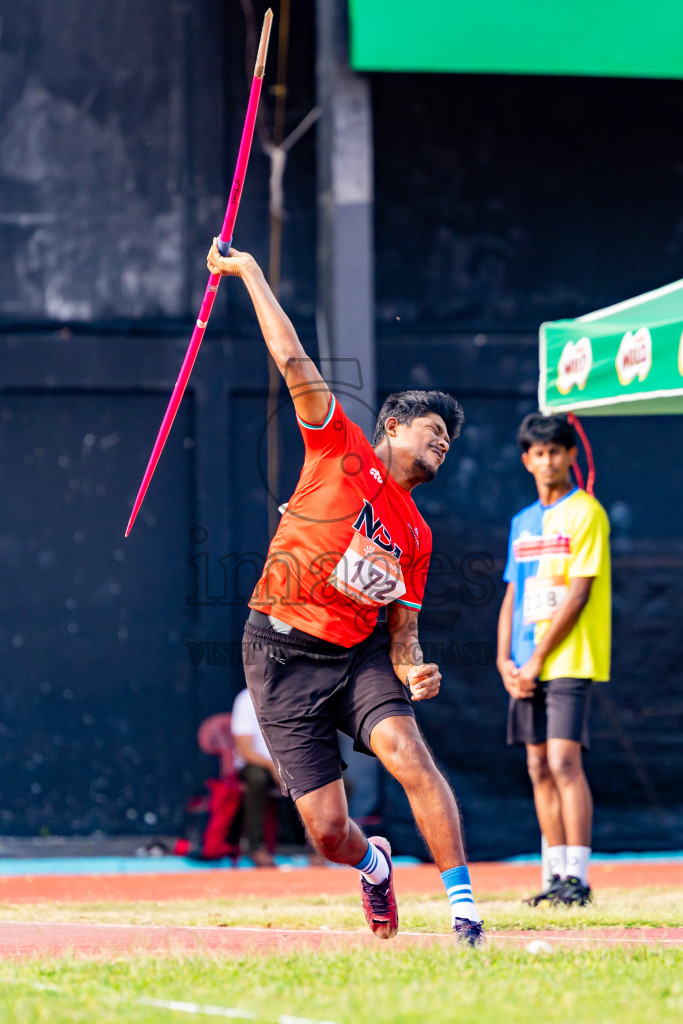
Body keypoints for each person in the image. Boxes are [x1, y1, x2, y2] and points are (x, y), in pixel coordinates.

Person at [206, 240, 484, 946]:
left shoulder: (416, 536)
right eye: (432, 431)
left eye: (449, 440)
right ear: (392, 426)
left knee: (408, 755)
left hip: (357, 656)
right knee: (329, 832)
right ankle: (373, 865)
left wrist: (413, 664)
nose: (443, 444)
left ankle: (463, 912)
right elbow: (292, 359)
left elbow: (403, 632)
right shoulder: (341, 447)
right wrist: (251, 273)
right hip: (277, 653)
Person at [496, 412, 611, 907]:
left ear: (570, 456)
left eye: (556, 452)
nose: (548, 461)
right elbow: (512, 593)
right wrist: (505, 659)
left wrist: (539, 657)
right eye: (538, 454)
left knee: (565, 760)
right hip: (525, 662)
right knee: (538, 764)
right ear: (527, 460)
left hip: (567, 658)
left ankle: (578, 880)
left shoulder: (586, 512)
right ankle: (554, 876)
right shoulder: (521, 522)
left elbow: (579, 593)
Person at [231, 687, 281, 867]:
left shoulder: (294, 693)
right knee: (257, 779)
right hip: (257, 764)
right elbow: (245, 751)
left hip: (290, 763)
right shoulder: (246, 699)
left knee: (337, 783)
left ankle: (321, 849)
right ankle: (255, 846)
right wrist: (273, 765)